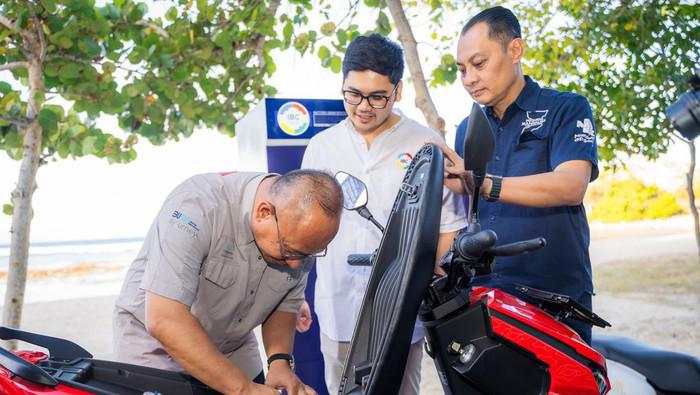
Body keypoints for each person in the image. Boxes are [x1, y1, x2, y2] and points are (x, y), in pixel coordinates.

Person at [300, 33, 467, 394]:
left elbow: (449, 227)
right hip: (338, 309)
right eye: (353, 94)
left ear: (399, 91)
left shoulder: (427, 144)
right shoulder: (321, 148)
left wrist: (423, 284)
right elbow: (302, 232)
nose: (363, 106)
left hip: (399, 316)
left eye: (378, 97)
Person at [441, 6, 599, 343]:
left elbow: (571, 186)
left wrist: (483, 184)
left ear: (515, 50)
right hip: (485, 298)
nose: (469, 78)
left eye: (479, 64)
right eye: (462, 69)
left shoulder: (566, 108)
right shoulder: (466, 129)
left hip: (554, 297)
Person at [113, 170, 343, 395]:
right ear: (263, 213)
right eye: (289, 252)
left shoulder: (297, 239)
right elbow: (165, 319)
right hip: (157, 346)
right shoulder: (197, 207)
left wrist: (279, 361)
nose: (296, 265)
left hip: (233, 343)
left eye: (307, 255)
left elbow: (284, 302)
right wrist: (243, 389)